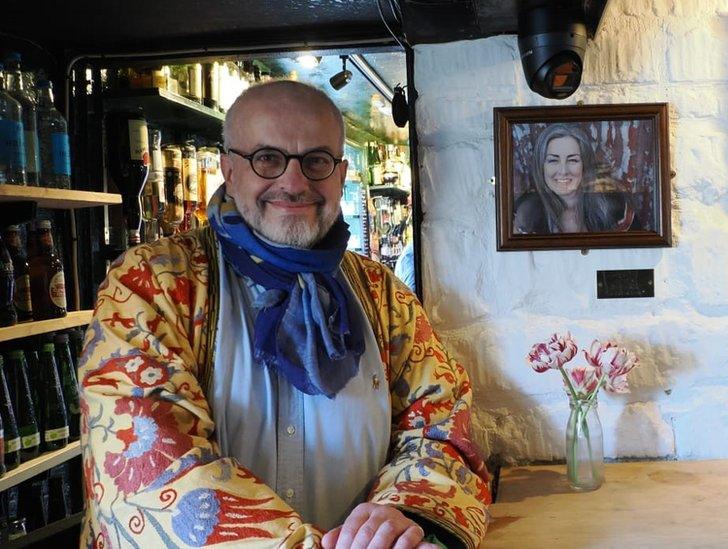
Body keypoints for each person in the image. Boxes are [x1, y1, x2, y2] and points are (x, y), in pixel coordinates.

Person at [78, 80, 491, 549]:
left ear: (340, 173)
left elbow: (441, 426)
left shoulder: (384, 296)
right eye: (268, 158)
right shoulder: (149, 287)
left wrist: (399, 518)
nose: (293, 184)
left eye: (316, 160)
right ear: (229, 169)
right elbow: (149, 468)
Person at [513, 123, 634, 234]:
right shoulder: (526, 215)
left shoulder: (616, 208)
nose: (563, 171)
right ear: (541, 167)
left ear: (585, 165)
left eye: (573, 160)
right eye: (553, 160)